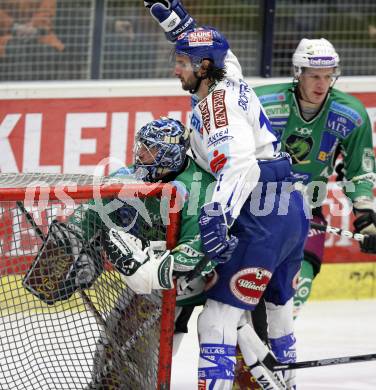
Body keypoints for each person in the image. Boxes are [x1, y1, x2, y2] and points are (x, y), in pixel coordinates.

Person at [143, 2, 310, 389]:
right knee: (279, 310)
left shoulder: (218, 113)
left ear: (202, 68)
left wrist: (217, 215)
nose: (176, 69)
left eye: (183, 62)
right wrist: (179, 26)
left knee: (215, 319)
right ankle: (288, 380)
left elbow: (240, 167)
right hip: (289, 208)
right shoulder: (226, 73)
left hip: (261, 214)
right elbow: (223, 49)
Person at [253, 38, 376, 319]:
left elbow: (360, 171)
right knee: (247, 299)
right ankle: (249, 360)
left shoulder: (351, 115)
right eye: (314, 76)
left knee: (293, 298)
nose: (322, 84)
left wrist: (366, 219)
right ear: (298, 74)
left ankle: (278, 355)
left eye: (328, 76)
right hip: (259, 212)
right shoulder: (263, 104)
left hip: (308, 213)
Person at [0, 0, 64, 80]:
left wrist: (34, 26)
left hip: (39, 33)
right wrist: (13, 26)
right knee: (15, 49)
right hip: (6, 33)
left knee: (47, 51)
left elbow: (47, 10)